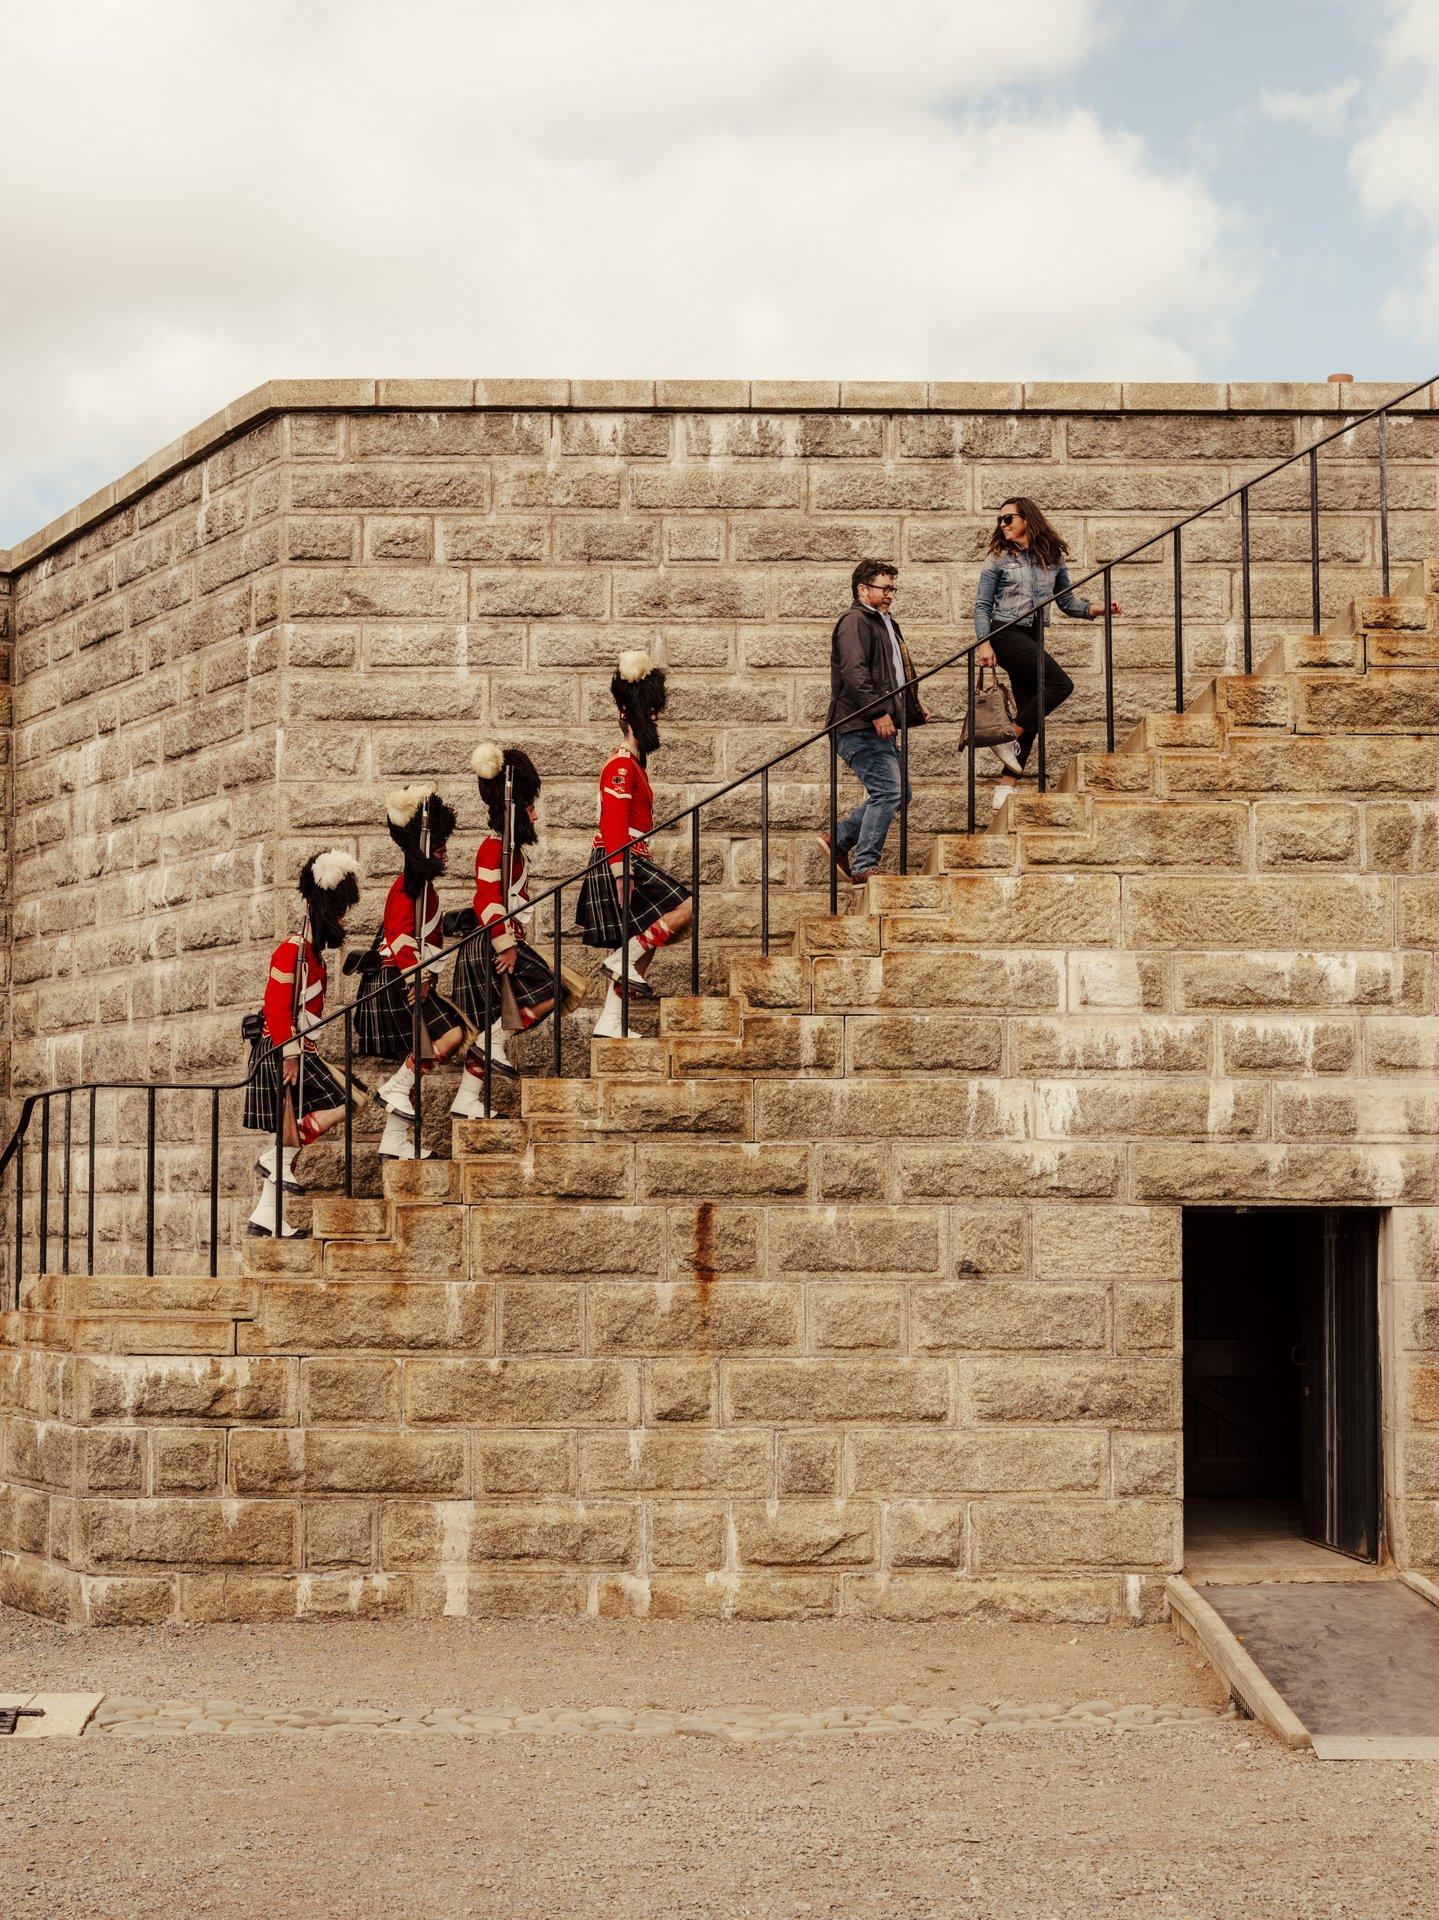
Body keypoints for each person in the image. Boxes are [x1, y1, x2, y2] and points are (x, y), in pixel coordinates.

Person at [449, 742, 581, 1116]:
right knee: (557, 990)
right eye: (529, 807)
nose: (535, 816)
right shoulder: (493, 848)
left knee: (497, 1013)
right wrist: (504, 943)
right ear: (514, 809)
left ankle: (467, 1098)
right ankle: (494, 1039)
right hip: (493, 944)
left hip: (498, 942)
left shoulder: (511, 849)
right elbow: (487, 901)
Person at [243, 849, 363, 1238]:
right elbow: (275, 1008)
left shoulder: (312, 954)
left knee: (293, 1131)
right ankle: (276, 1159)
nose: (342, 917)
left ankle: (266, 1215)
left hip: (296, 1050)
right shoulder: (292, 949)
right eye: (338, 908)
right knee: (350, 1099)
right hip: (282, 1051)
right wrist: (289, 1055)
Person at [974, 496, 1122, 810]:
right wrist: (984, 643)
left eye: (1008, 519)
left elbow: (1068, 603)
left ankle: (1005, 787)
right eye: (999, 520)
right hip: (1005, 632)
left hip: (1033, 635)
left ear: (1027, 518)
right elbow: (982, 607)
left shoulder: (1051, 557)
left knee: (1033, 710)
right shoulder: (998, 557)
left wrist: (1098, 609)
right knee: (1060, 685)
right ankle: (1009, 735)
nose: (1002, 525)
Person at [576, 651, 692, 1040]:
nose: (656, 716)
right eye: (650, 709)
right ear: (631, 714)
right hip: (620, 858)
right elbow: (612, 823)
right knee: (686, 907)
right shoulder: (622, 765)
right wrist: (621, 872)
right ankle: (622, 958)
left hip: (629, 856)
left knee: (649, 938)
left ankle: (611, 1019)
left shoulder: (633, 765)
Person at [353, 786, 468, 1159]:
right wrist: (416, 977)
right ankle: (395, 1086)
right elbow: (401, 937)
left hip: (406, 978)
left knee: (422, 1052)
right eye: (438, 847)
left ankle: (395, 1140)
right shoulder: (407, 886)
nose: (444, 853)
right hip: (399, 979)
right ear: (423, 848)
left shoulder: (422, 887)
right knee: (451, 1034)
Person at [821, 559, 928, 886]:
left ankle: (839, 838)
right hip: (858, 725)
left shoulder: (885, 623)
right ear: (862, 589)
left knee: (901, 793)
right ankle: (865, 865)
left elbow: (895, 674)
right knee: (887, 791)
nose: (890, 594)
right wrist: (878, 712)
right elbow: (856, 674)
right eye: (885, 588)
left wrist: (910, 707)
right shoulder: (855, 621)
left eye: (892, 588)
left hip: (875, 724)